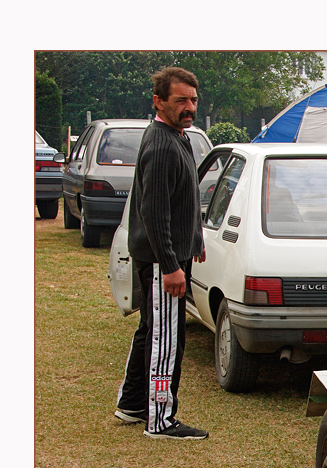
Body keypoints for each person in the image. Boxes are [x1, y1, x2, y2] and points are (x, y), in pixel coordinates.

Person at [114, 67, 208, 440]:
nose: (189, 107)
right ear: (159, 101)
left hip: (171, 254)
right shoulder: (161, 144)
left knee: (152, 330)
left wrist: (195, 239)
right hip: (159, 261)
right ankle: (160, 420)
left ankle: (133, 404)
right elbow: (154, 213)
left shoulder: (178, 137)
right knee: (166, 338)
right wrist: (170, 265)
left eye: (193, 100)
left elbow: (183, 198)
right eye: (180, 100)